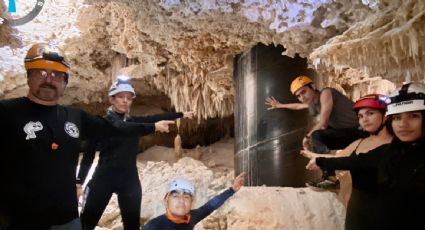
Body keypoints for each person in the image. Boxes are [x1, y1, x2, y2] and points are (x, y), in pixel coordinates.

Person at [0, 43, 174, 230]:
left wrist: (153, 126)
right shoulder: (6, 112)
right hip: (21, 220)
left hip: (67, 218)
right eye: (41, 72)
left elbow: (117, 128)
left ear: (65, 82)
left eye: (57, 75)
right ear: (28, 76)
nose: (49, 79)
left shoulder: (76, 117)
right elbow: (90, 155)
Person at [77, 76, 194, 230]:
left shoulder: (133, 123)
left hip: (129, 181)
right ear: (112, 99)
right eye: (120, 97)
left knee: (132, 226)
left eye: (129, 97)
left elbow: (154, 118)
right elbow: (89, 156)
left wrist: (180, 114)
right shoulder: (101, 124)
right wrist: (79, 181)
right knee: (86, 224)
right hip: (102, 179)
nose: (125, 101)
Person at [306, 82, 425, 229]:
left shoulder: (392, 149)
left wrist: (321, 160)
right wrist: (320, 160)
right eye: (397, 118)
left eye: (414, 116)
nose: (403, 124)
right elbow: (353, 161)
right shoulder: (391, 150)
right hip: (367, 213)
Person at [301, 94, 393, 229]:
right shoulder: (360, 142)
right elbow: (341, 159)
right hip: (357, 207)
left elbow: (355, 162)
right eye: (360, 116)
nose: (364, 120)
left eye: (370, 113)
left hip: (386, 208)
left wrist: (321, 161)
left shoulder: (396, 145)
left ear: (385, 115)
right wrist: (313, 156)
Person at [265, 75, 367, 188]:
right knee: (317, 137)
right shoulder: (312, 103)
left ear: (312, 86)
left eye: (303, 92)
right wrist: (279, 105)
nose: (302, 97)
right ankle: (329, 176)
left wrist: (307, 137)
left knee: (316, 134)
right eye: (298, 96)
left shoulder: (326, 93)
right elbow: (298, 106)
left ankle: (330, 178)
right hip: (348, 135)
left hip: (361, 132)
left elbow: (323, 123)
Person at [143, 172, 246, 230]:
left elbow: (209, 206)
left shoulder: (190, 217)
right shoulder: (154, 226)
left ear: (191, 203)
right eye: (176, 196)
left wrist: (232, 189)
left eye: (186, 197)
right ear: (166, 201)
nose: (182, 200)